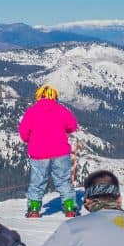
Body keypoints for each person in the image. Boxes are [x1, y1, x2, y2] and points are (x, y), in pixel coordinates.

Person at [18, 85, 80, 218]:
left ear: (39, 96)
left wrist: (32, 139)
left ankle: (34, 210)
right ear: (55, 97)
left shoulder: (32, 111)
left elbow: (24, 133)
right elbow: (73, 126)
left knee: (37, 182)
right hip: (60, 151)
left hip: (38, 153)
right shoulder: (61, 110)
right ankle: (70, 209)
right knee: (64, 181)